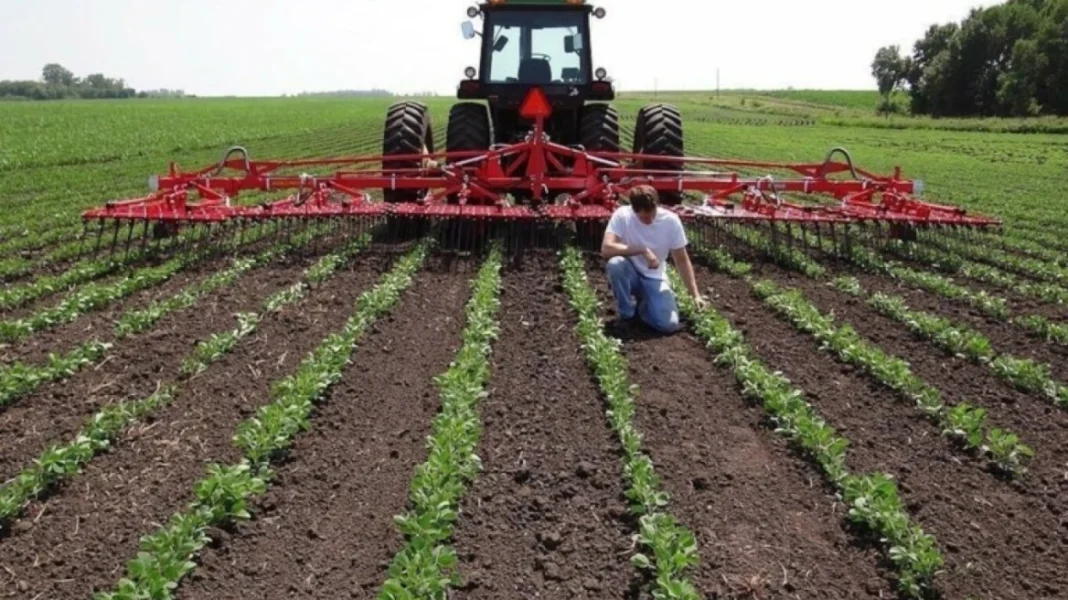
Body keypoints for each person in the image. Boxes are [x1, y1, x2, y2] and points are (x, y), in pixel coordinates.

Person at [600, 185, 707, 333]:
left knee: (668, 325)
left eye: (652, 214)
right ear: (633, 210)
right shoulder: (622, 215)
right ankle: (627, 316)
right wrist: (642, 249)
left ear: (657, 205)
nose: (649, 221)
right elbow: (606, 249)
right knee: (615, 264)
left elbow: (682, 259)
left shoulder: (670, 221)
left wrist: (695, 295)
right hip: (629, 274)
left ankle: (644, 307)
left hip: (654, 277)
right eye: (644, 217)